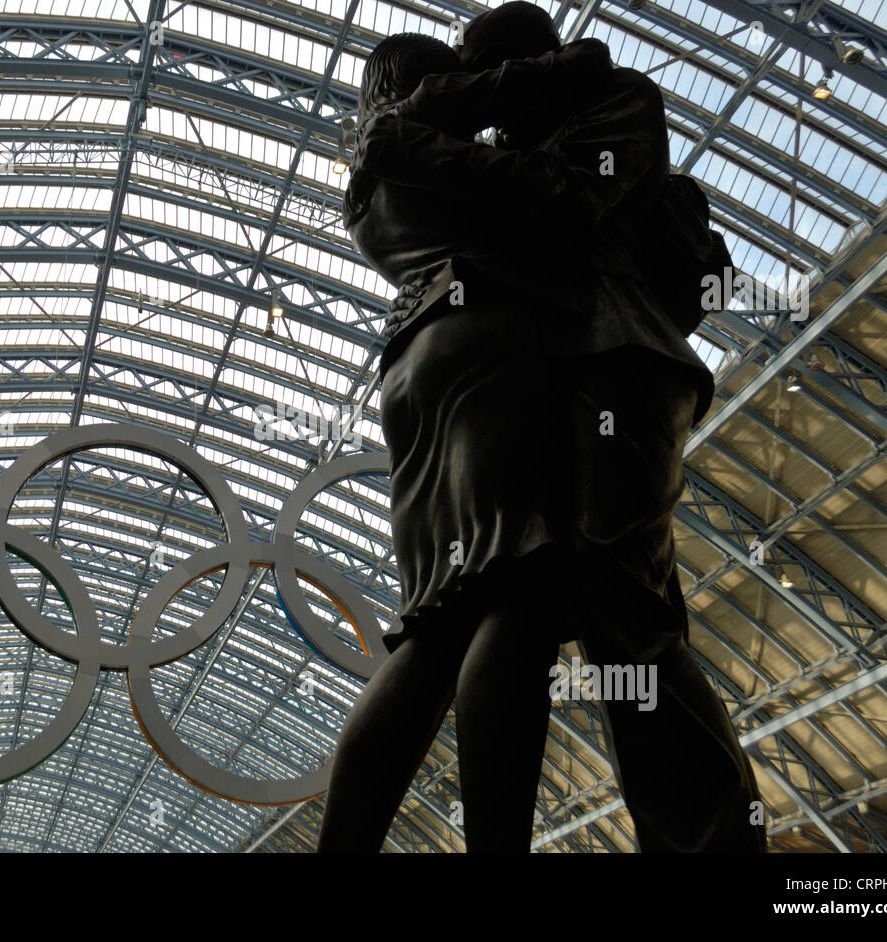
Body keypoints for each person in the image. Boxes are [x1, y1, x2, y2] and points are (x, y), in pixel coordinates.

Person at [316, 2, 766, 853]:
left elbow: (575, 198)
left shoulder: (609, 105)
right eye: (463, 79)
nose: (484, 98)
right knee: (530, 600)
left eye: (488, 73)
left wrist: (419, 132)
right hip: (526, 367)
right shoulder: (483, 144)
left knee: (595, 614)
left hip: (600, 364)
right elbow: (554, 206)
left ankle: (709, 836)